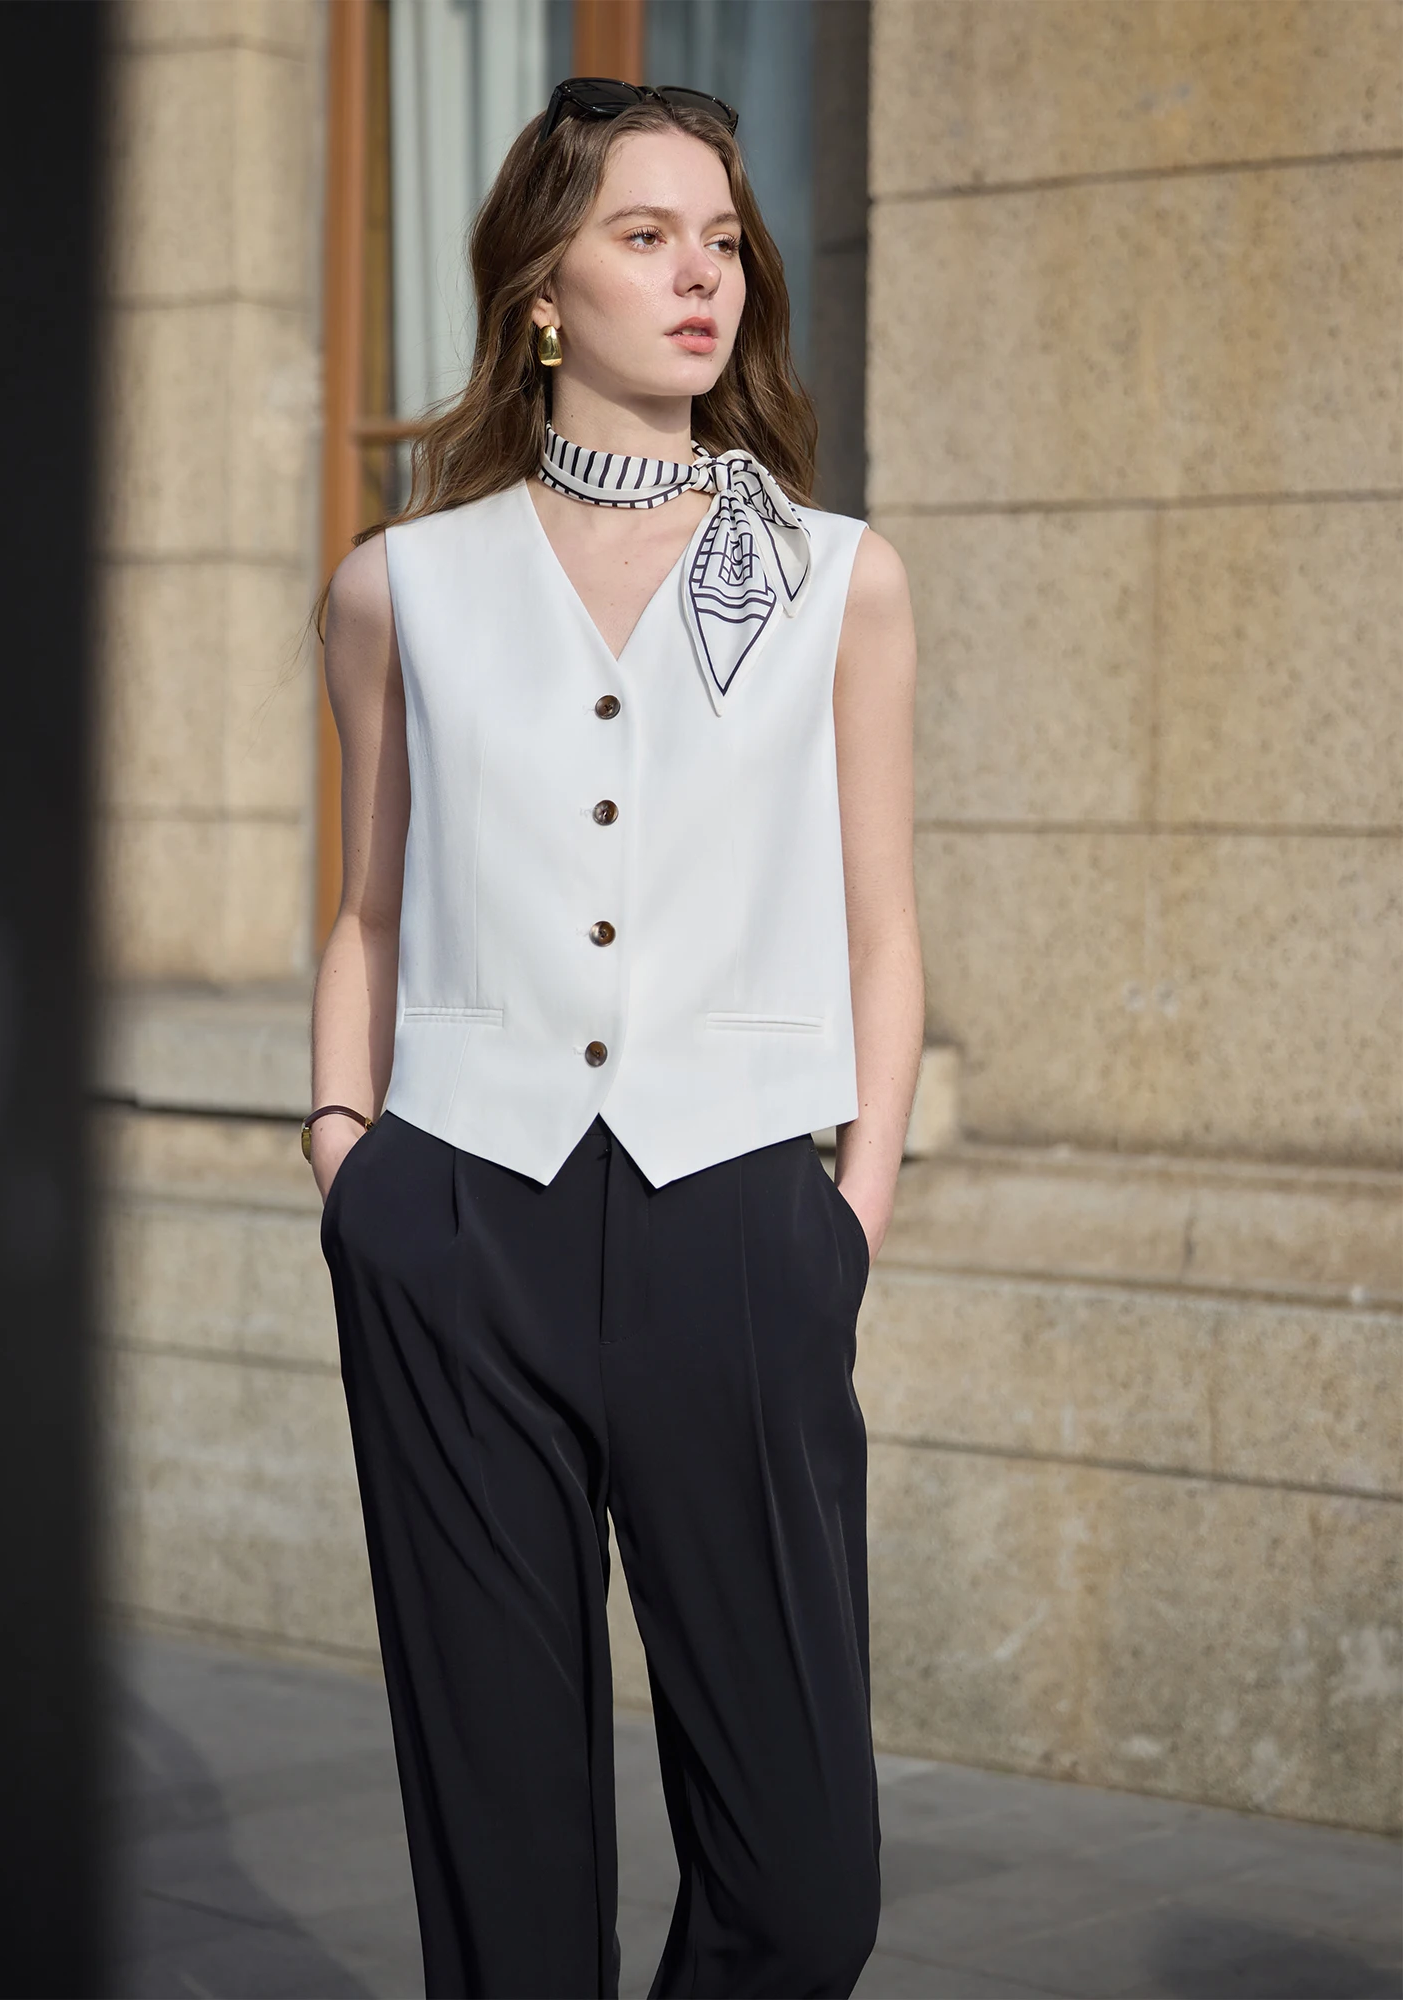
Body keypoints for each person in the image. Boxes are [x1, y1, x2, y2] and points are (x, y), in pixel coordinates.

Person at [307, 76, 922, 2000]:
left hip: (738, 1225)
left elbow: (884, 929)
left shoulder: (830, 577)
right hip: (455, 1223)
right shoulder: (402, 584)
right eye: (646, 237)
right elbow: (370, 911)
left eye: (720, 239)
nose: (700, 276)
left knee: (805, 1892)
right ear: (542, 291)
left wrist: (849, 1216)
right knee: (508, 1886)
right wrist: (348, 1161)